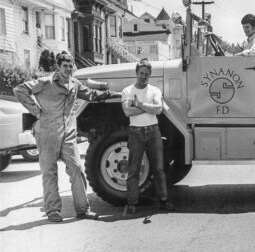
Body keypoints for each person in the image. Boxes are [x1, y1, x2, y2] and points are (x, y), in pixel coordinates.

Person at [13, 52, 120, 222]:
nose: (68, 69)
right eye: (65, 66)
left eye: (71, 66)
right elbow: (19, 90)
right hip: (48, 132)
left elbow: (92, 95)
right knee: (49, 172)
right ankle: (53, 211)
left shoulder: (74, 84)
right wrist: (37, 112)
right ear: (58, 66)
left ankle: (83, 210)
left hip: (69, 134)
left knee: (77, 168)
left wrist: (116, 95)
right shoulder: (45, 82)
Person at [121, 59, 175, 215]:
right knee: (133, 169)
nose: (143, 76)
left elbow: (158, 110)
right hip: (135, 133)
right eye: (141, 73)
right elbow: (127, 112)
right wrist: (147, 108)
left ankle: (163, 200)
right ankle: (132, 202)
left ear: (150, 75)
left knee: (159, 169)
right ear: (136, 73)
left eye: (146, 74)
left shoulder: (155, 90)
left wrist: (139, 105)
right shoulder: (127, 91)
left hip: (153, 132)